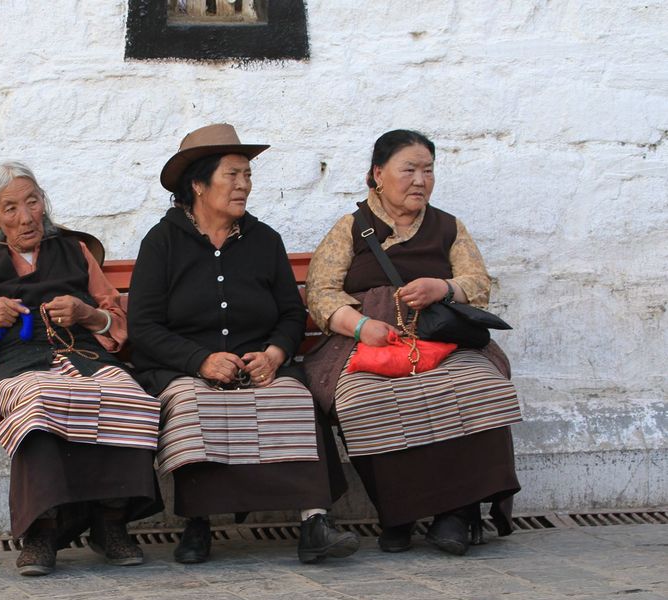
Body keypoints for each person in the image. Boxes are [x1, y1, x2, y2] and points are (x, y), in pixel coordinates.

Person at [128, 124, 359, 565]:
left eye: (248, 176)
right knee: (193, 404)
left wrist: (275, 353)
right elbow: (144, 326)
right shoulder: (162, 244)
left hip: (260, 367)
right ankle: (198, 522)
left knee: (295, 396)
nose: (244, 185)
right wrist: (200, 361)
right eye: (232, 175)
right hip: (185, 369)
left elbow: (292, 314)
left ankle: (315, 522)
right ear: (198, 184)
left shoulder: (264, 240)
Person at [305, 129, 522, 556]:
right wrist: (361, 324)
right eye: (409, 170)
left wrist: (443, 287)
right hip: (370, 341)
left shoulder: (447, 227)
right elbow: (321, 292)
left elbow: (477, 283)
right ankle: (398, 515)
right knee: (363, 399)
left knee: (480, 388)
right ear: (378, 174)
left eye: (428, 170)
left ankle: (457, 514)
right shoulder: (351, 228)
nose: (420, 180)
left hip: (440, 340)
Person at [0, 162, 162, 576]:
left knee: (128, 393)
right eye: (10, 208)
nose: (26, 217)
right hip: (16, 368)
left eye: (33, 201)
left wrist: (86, 313)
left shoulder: (76, 253)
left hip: (86, 358)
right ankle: (42, 531)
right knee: (39, 400)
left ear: (43, 202)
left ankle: (110, 521)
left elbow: (117, 325)